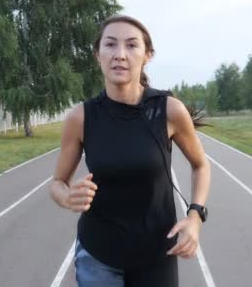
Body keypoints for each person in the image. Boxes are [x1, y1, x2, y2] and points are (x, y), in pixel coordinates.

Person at [50, 15, 211, 286]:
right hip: (98, 254)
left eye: (132, 46)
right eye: (110, 45)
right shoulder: (81, 117)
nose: (120, 55)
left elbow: (201, 165)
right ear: (97, 55)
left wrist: (195, 215)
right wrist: (67, 197)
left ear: (147, 55)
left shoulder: (168, 110)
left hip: (157, 252)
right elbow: (57, 183)